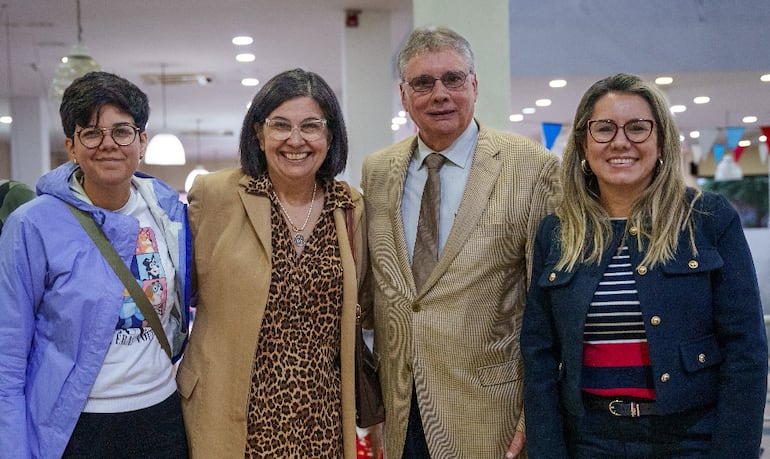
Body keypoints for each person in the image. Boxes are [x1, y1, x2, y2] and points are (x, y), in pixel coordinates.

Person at [521, 73, 768, 458]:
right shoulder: (557, 232)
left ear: (661, 140)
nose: (621, 141)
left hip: (690, 440)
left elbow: (746, 351)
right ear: (584, 144)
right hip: (589, 441)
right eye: (604, 128)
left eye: (638, 128)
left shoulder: (706, 219)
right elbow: (538, 357)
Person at [361, 26, 562, 458]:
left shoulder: (532, 167)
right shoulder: (377, 172)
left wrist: (536, 415)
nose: (440, 94)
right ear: (403, 94)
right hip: (402, 412)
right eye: (423, 82)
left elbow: (550, 307)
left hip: (492, 414)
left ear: (474, 84)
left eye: (452, 78)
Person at [176, 68, 368, 458]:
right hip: (234, 414)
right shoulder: (215, 195)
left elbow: (363, 302)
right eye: (280, 125)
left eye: (310, 126)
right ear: (259, 134)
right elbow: (180, 293)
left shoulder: (350, 207)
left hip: (322, 418)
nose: (295, 140)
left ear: (330, 137)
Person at [0, 71, 191, 458]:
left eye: (122, 131)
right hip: (77, 426)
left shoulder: (169, 212)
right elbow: (8, 355)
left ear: (142, 141)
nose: (108, 144)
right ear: (71, 146)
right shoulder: (33, 225)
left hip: (162, 416)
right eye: (91, 132)